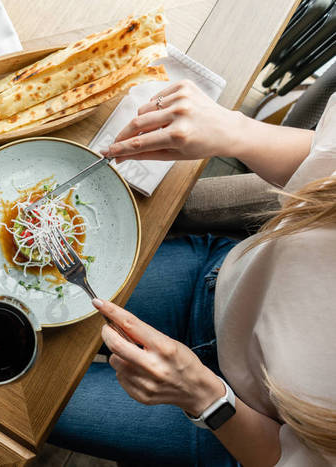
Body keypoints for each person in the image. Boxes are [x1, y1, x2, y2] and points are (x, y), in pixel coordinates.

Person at [49, 80, 336, 466]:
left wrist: (205, 397)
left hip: (233, 423)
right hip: (213, 285)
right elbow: (325, 169)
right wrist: (235, 131)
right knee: (39, 301)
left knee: (26, 398)